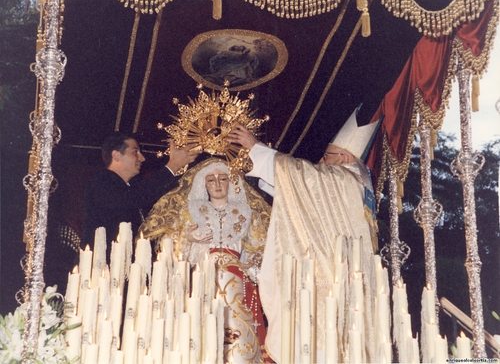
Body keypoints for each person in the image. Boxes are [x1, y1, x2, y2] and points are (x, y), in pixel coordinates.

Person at [227, 106, 381, 363]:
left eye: (326, 156)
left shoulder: (347, 180)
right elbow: (308, 200)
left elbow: (304, 178)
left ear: (344, 158)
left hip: (329, 287)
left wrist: (256, 147)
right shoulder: (357, 186)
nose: (321, 162)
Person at [140, 158, 272, 363]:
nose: (217, 184)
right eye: (211, 180)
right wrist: (188, 238)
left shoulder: (246, 212)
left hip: (236, 280)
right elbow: (170, 246)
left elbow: (259, 248)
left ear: (232, 182)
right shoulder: (191, 211)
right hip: (202, 278)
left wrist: (253, 262)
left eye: (223, 179)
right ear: (204, 183)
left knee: (238, 337)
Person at [81, 132, 201, 255]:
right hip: (103, 264)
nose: (142, 158)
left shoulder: (134, 187)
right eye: (135, 152)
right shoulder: (102, 180)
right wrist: (173, 165)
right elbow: (133, 198)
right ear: (116, 155)